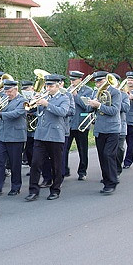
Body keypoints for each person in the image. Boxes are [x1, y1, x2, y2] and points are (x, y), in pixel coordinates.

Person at [25, 74, 70, 202]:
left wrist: (47, 104)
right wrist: (33, 104)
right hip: (40, 134)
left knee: (56, 164)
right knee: (35, 163)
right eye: (47, 86)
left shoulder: (64, 98)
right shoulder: (43, 97)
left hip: (55, 135)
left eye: (50, 86)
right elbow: (36, 112)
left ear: (57, 86)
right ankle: (33, 191)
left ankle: (55, 190)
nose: (48, 88)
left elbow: (62, 112)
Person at [87, 71, 121, 195]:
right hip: (100, 129)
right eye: (96, 82)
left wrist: (99, 105)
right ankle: (106, 180)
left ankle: (112, 182)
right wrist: (92, 104)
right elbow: (89, 109)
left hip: (112, 129)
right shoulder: (95, 92)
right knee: (102, 156)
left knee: (108, 155)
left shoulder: (116, 92)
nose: (98, 84)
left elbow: (114, 110)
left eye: (100, 81)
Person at [0, 79, 27, 196]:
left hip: (16, 136)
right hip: (2, 135)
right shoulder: (4, 99)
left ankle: (16, 186)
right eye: (6, 91)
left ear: (16, 89)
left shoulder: (23, 101)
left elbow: (16, 114)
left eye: (9, 91)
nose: (7, 94)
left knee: (15, 163)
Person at [64, 70, 93, 181]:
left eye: (74, 80)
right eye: (71, 80)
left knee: (82, 149)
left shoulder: (88, 91)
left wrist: (76, 95)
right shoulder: (67, 90)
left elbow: (87, 107)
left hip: (82, 123)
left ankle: (82, 171)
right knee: (65, 148)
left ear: (80, 80)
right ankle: (64, 169)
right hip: (69, 124)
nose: (72, 82)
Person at [112, 73, 130, 177]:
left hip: (120, 127)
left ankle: (117, 170)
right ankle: (110, 173)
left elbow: (126, 108)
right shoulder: (106, 93)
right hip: (109, 127)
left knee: (119, 149)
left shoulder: (124, 95)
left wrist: (115, 100)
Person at [20, 80, 35, 167]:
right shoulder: (23, 98)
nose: (26, 91)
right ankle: (31, 166)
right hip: (27, 129)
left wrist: (33, 113)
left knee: (36, 151)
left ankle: (37, 168)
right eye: (24, 89)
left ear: (32, 88)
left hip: (36, 128)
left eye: (27, 89)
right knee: (28, 149)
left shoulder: (37, 96)